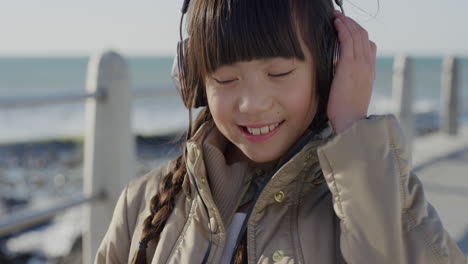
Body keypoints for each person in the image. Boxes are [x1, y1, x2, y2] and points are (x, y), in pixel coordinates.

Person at [95, 0, 466, 263]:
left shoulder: (380, 194)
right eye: (225, 79)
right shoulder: (141, 205)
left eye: (279, 73)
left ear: (329, 67)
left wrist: (353, 128)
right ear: (193, 81)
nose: (253, 103)